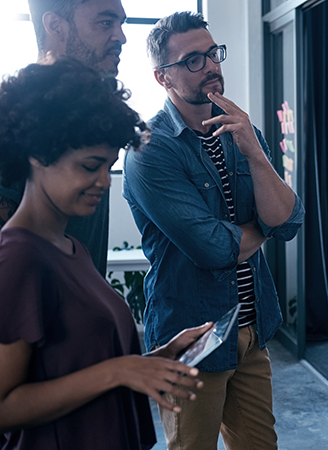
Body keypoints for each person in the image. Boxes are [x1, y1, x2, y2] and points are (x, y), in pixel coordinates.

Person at [0, 59, 212, 450]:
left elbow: (77, 361)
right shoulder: (18, 258)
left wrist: (158, 357)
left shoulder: (71, 248)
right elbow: (4, 405)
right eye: (90, 167)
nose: (103, 182)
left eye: (109, 166)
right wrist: (119, 370)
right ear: (37, 155)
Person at [122, 11, 305, 450]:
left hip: (253, 326)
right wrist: (265, 225)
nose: (209, 66)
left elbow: (291, 222)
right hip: (192, 336)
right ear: (162, 77)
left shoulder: (242, 130)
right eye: (192, 61)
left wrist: (255, 154)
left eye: (212, 54)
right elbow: (212, 248)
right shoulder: (150, 148)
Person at [0, 0, 129, 276]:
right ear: (55, 26)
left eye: (121, 23)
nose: (121, 37)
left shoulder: (97, 116)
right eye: (106, 22)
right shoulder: (13, 119)